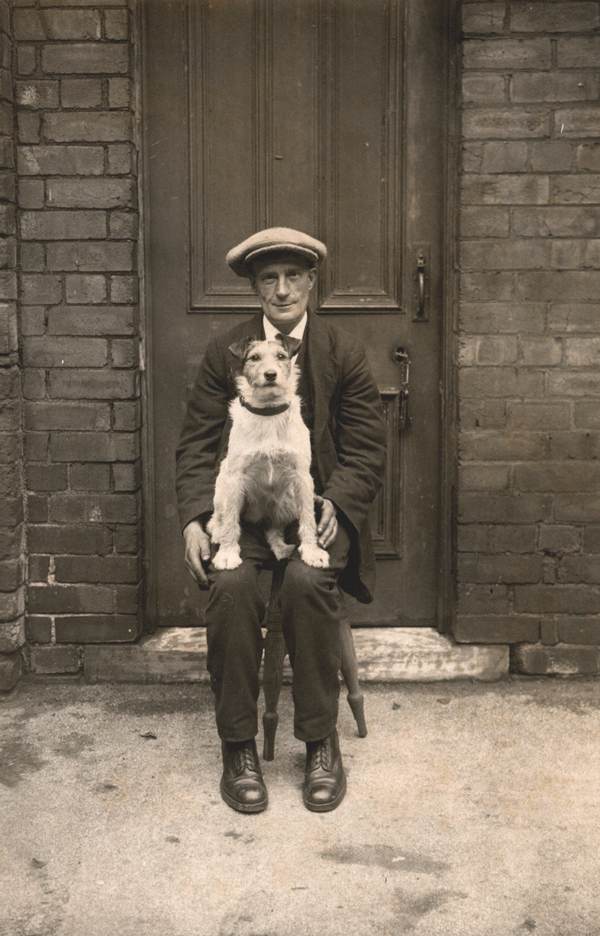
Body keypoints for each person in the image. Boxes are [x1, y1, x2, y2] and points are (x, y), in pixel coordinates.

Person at [176, 227, 386, 813]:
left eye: (294, 276)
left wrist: (336, 508)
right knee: (233, 587)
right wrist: (196, 518)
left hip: (313, 512)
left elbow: (368, 448)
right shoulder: (229, 350)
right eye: (269, 278)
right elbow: (196, 443)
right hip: (241, 517)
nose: (283, 289)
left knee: (307, 582)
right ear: (255, 288)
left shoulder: (343, 350)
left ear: (311, 282)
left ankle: (320, 742)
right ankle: (237, 746)